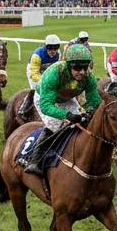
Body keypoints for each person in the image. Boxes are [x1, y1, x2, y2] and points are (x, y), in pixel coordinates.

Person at [23, 43, 100, 176]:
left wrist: (89, 111)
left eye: (84, 67)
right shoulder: (54, 73)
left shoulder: (88, 76)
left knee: (83, 123)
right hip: (45, 98)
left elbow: (94, 100)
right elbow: (47, 106)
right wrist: (67, 115)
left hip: (66, 98)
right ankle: (34, 160)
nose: (81, 72)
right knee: (55, 124)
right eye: (77, 67)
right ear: (69, 65)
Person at [21, 34, 64, 120]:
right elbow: (34, 74)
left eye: (55, 48)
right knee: (36, 89)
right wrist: (46, 82)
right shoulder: (37, 55)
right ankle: (24, 109)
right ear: (45, 47)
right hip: (33, 69)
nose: (53, 51)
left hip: (48, 68)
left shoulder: (59, 54)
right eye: (50, 48)